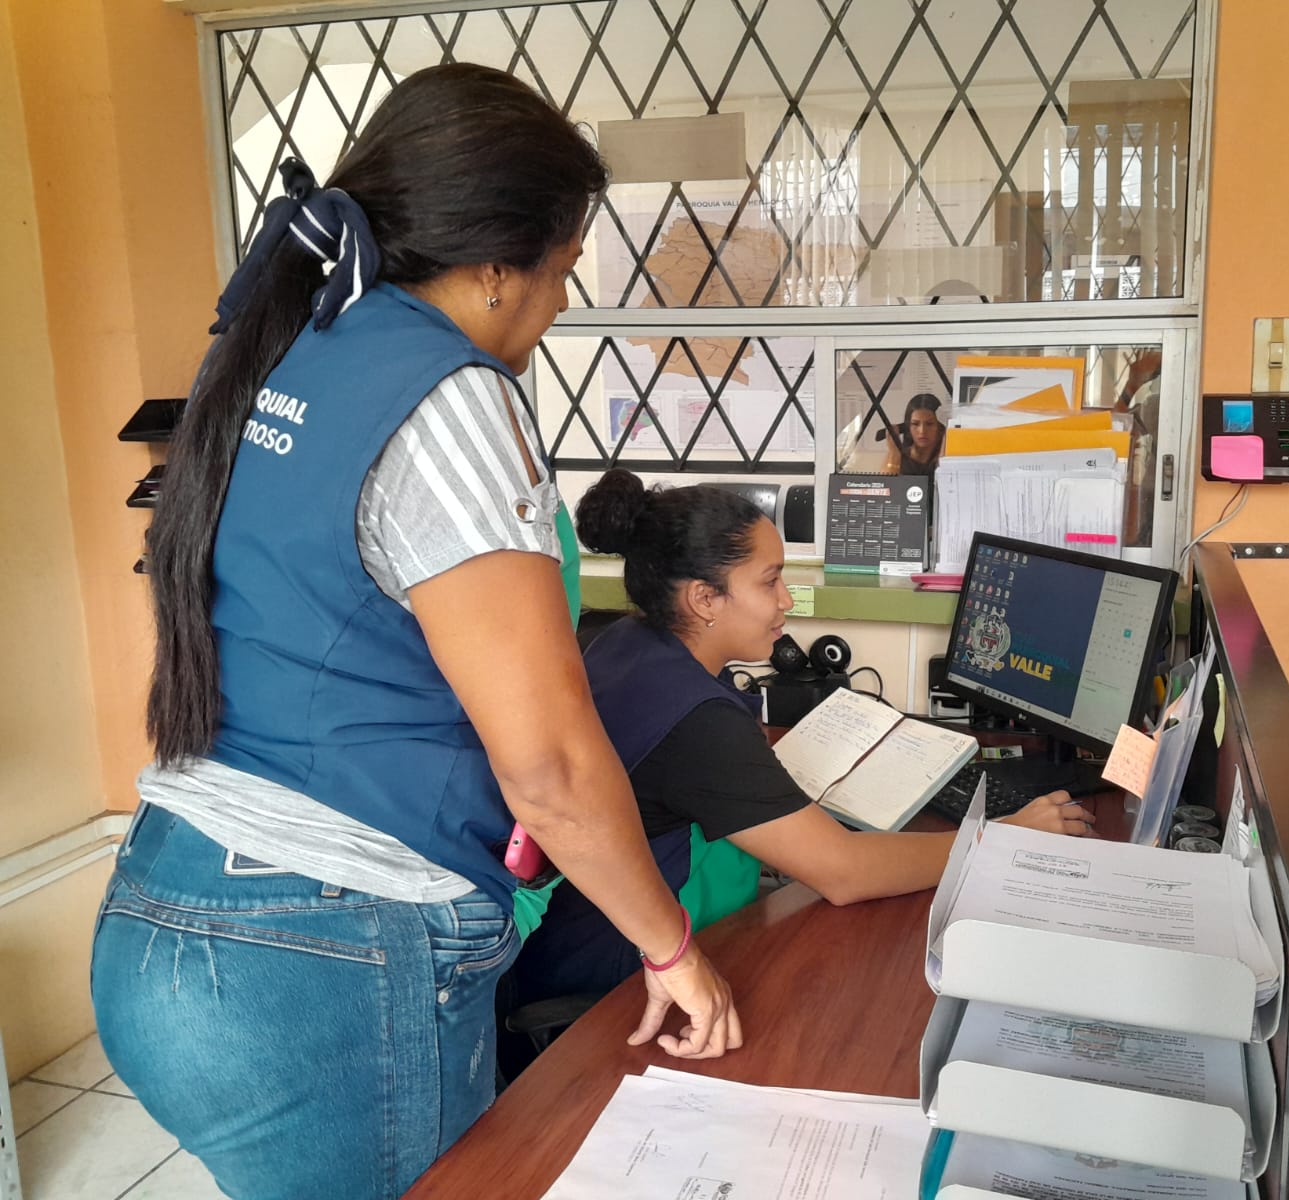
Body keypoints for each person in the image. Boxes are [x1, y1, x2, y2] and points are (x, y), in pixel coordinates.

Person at [90, 65, 739, 1200]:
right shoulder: (450, 395)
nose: (562, 303)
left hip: (163, 908)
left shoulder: (290, 351)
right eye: (563, 269)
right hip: (320, 956)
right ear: (494, 265)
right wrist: (671, 948)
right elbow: (548, 767)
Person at [498, 469, 1094, 1062]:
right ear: (704, 599)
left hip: (570, 942)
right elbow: (843, 872)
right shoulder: (694, 719)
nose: (786, 600)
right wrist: (1000, 839)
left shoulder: (629, 641)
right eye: (770, 580)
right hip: (615, 985)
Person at [882, 392, 946, 475]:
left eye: (929, 424)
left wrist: (946, 440)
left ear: (939, 426)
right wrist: (894, 453)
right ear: (908, 426)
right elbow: (886, 482)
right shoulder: (898, 455)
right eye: (915, 424)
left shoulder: (944, 455)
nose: (922, 431)